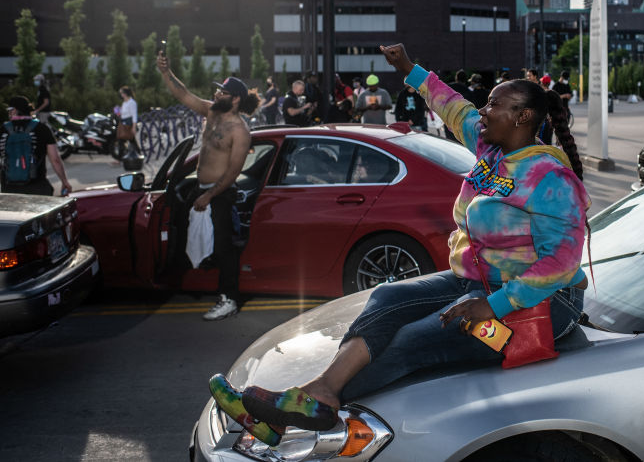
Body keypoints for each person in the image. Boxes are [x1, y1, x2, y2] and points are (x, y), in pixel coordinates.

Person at [209, 42, 589, 445]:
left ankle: (297, 408)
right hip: (474, 281)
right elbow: (455, 107)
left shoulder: (549, 178)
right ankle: (315, 395)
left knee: (414, 339)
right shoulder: (491, 150)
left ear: (523, 117)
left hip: (541, 303)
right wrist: (410, 68)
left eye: (494, 104)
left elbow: (561, 264)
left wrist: (491, 306)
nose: (483, 110)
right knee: (386, 299)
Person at [157, 52, 260, 320]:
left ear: (235, 99)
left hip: (221, 193)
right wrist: (166, 72)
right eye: (217, 91)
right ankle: (184, 282)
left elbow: (233, 171)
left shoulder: (240, 131)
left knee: (225, 248)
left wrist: (211, 195)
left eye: (222, 92)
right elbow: (184, 94)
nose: (216, 95)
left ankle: (229, 299)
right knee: (179, 232)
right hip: (199, 189)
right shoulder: (212, 114)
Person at [1, 95, 72, 196]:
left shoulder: (3, 129)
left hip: (9, 189)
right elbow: (55, 159)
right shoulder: (42, 128)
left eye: (10, 110)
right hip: (37, 188)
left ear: (14, 111)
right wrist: (65, 182)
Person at [116, 86, 141, 157]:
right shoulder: (125, 102)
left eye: (121, 93)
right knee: (131, 140)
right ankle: (139, 154)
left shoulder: (132, 102)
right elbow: (124, 112)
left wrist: (133, 127)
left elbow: (134, 115)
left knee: (124, 140)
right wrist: (118, 111)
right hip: (124, 124)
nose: (121, 95)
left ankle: (120, 158)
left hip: (128, 125)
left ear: (125, 93)